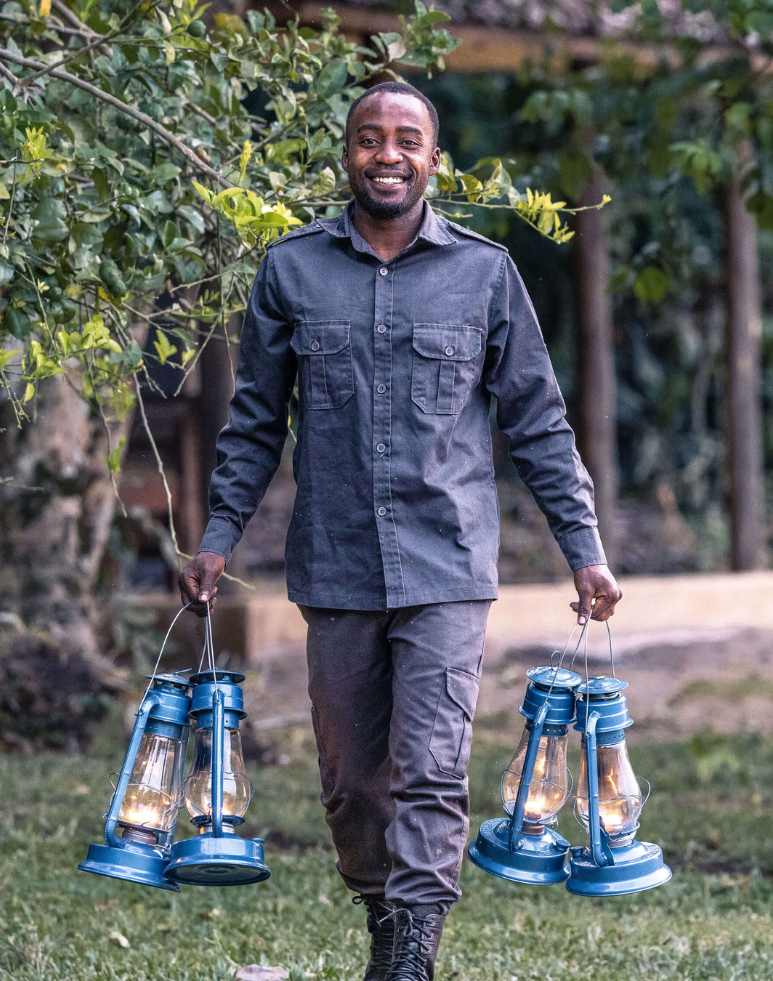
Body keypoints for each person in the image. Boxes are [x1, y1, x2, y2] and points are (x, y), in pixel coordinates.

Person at [179, 81, 621, 981]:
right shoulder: (292, 269)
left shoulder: (485, 273)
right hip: (335, 565)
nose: (388, 153)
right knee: (350, 781)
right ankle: (385, 918)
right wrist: (218, 533)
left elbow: (537, 421)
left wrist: (585, 550)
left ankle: (412, 947)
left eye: (407, 139)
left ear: (432, 157)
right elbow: (256, 418)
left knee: (429, 763)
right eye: (370, 138)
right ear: (347, 152)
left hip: (446, 561)